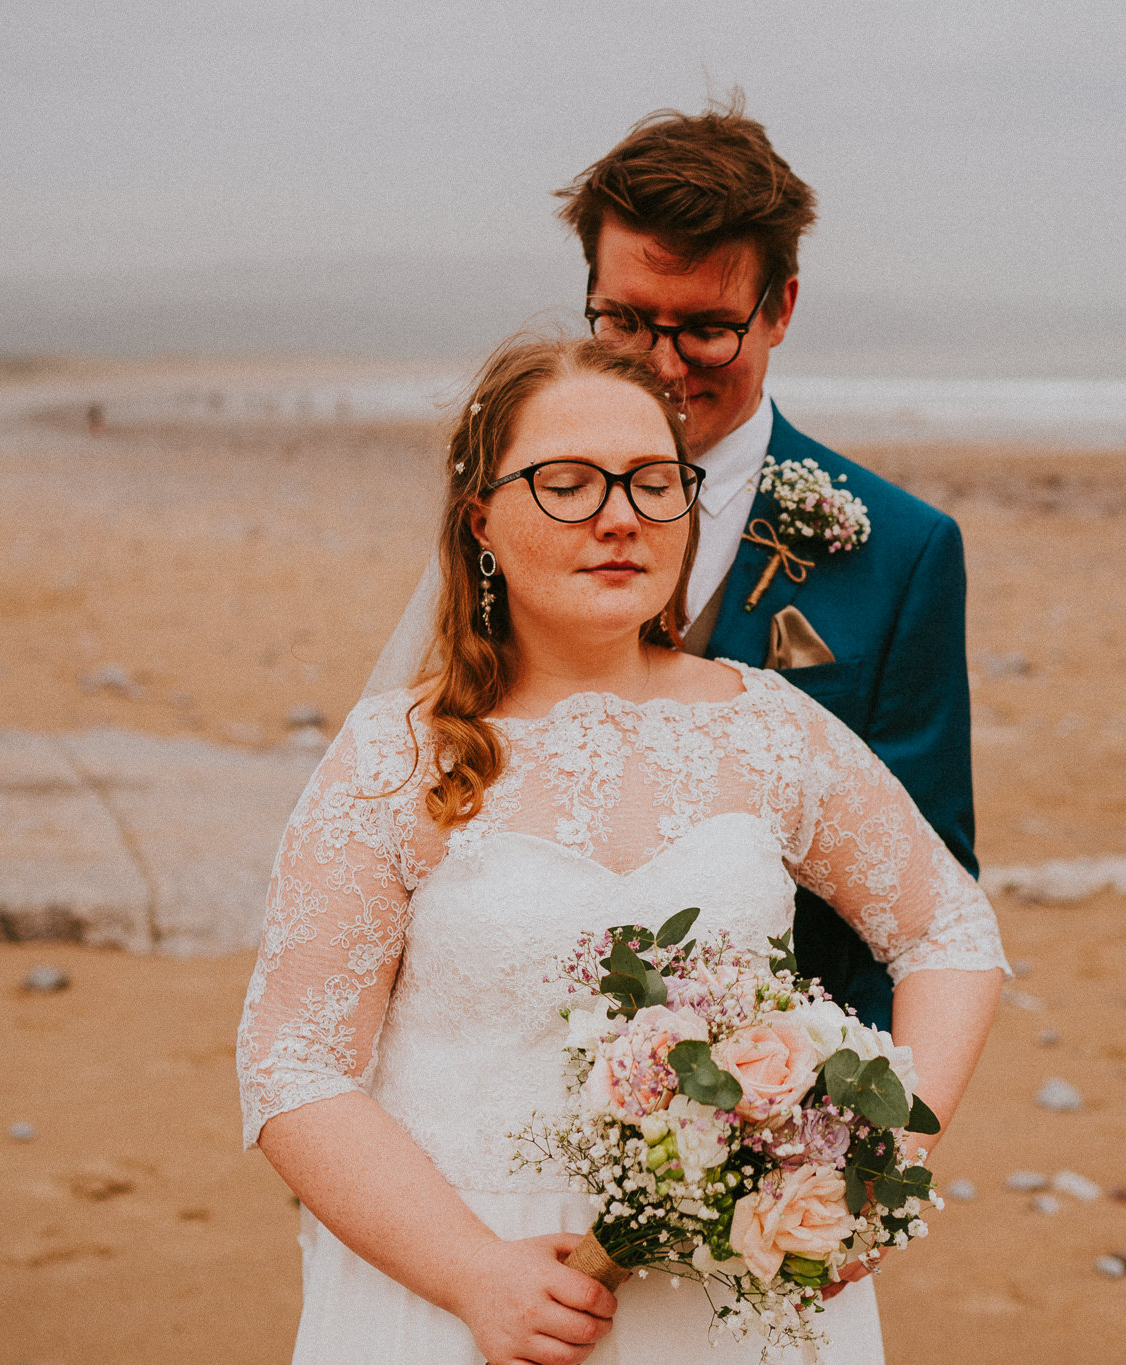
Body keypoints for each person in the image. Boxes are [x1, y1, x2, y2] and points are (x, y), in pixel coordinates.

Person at [239, 336, 1005, 1365]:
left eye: (653, 483)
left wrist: (884, 1151)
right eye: (566, 484)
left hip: (735, 1303)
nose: (619, 517)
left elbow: (945, 927)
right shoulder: (396, 754)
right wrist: (473, 1275)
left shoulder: (769, 730)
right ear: (481, 522)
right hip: (463, 1293)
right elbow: (293, 1063)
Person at [371, 97, 975, 1035]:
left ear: (780, 308)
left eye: (703, 328)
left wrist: (838, 1139)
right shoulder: (517, 510)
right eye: (625, 321)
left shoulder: (903, 553)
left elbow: (923, 905)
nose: (660, 365)